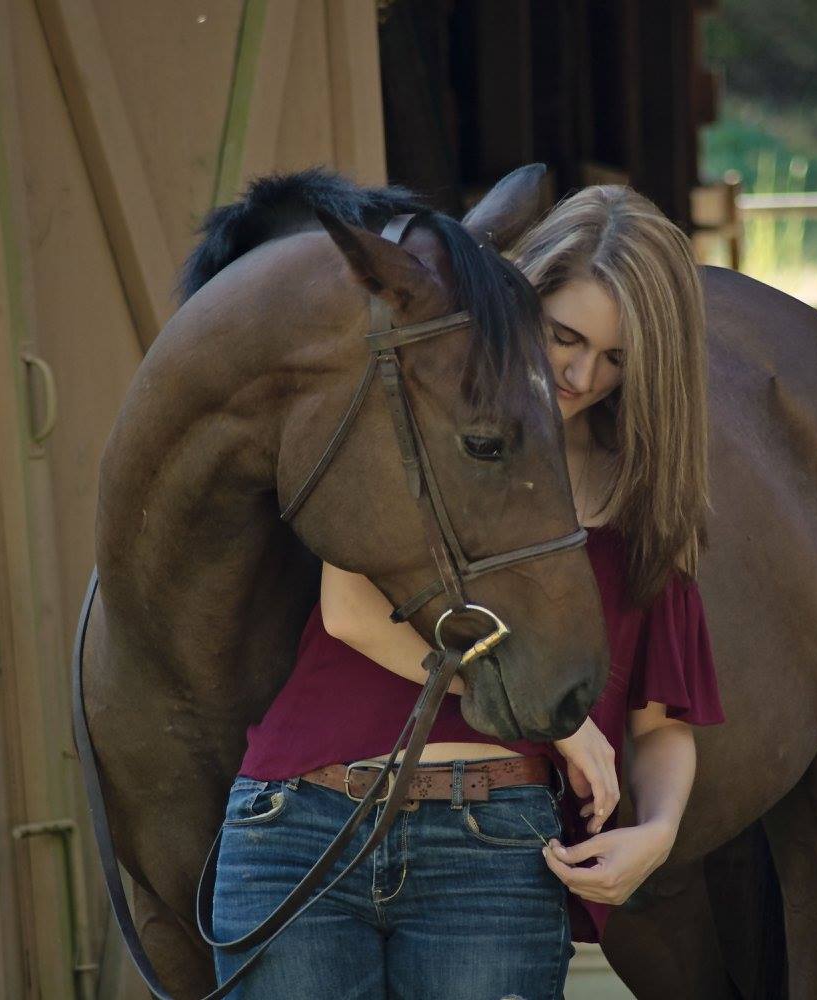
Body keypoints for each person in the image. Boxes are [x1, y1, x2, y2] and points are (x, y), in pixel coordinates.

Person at [211, 185, 725, 999]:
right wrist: (558, 727)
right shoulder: (421, 426)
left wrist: (657, 834)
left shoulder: (643, 504)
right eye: (564, 337)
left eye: (616, 358)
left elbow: (661, 727)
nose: (582, 373)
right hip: (300, 820)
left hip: (491, 849)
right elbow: (351, 617)